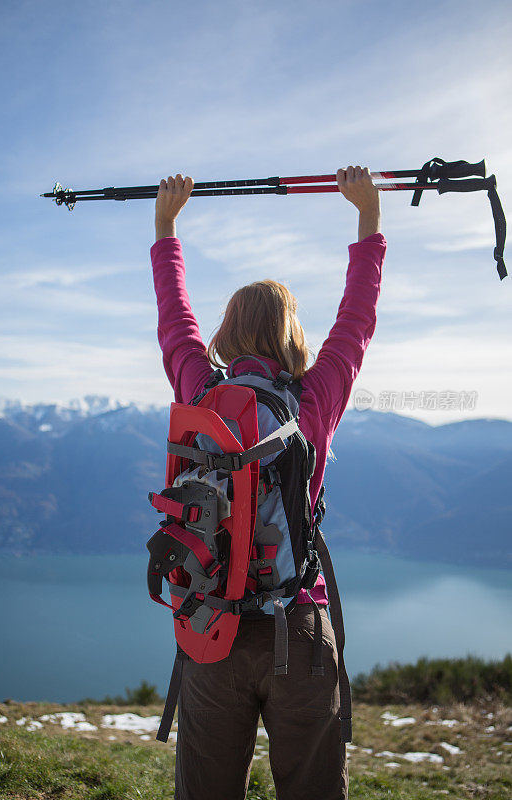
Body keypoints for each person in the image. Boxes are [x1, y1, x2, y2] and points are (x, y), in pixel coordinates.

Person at [151, 167, 386, 800]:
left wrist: (166, 228)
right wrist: (368, 219)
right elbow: (357, 321)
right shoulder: (314, 399)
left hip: (212, 626)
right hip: (300, 631)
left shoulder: (200, 391)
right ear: (292, 336)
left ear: (226, 333)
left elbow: (174, 320)